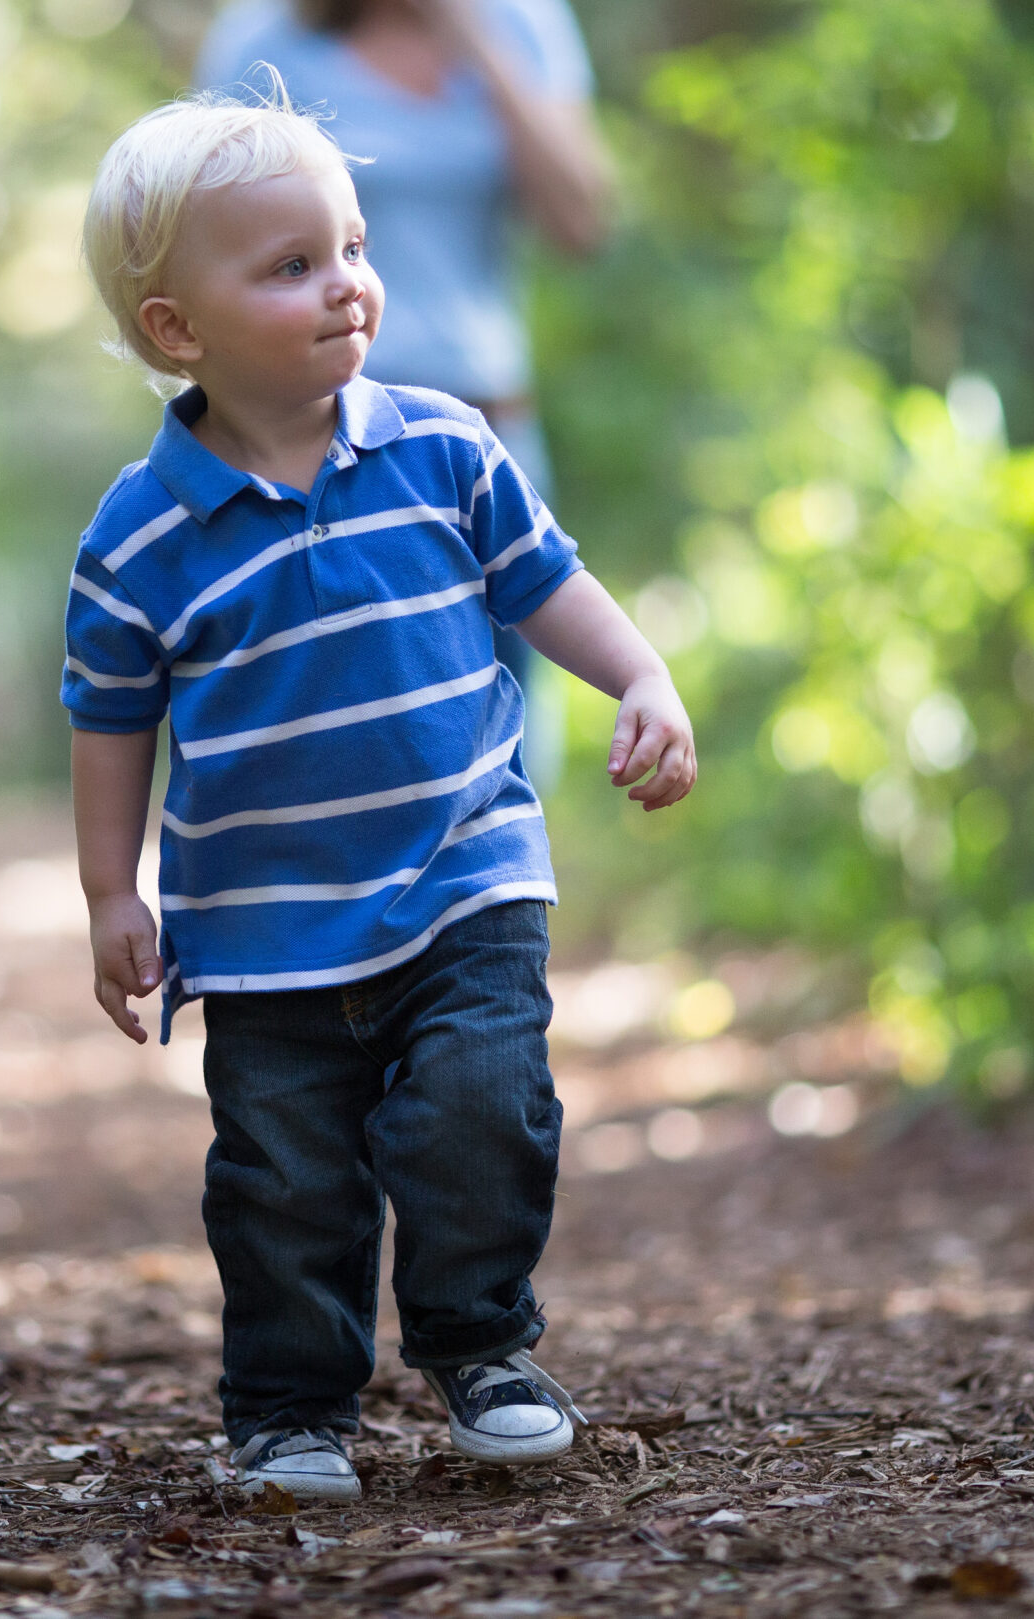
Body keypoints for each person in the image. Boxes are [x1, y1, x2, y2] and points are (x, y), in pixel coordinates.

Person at [65, 92, 693, 1498]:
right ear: (179, 330)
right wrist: (115, 891)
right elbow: (108, 719)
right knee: (284, 1179)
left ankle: (483, 1345)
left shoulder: (445, 446)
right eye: (290, 265)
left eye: (351, 245)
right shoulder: (140, 535)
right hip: (266, 923)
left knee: (482, 1106)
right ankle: (290, 1403)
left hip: (467, 872)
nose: (345, 281)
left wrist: (642, 676)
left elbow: (548, 586)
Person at [195, 0, 612, 790]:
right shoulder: (259, 41)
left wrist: (472, 35)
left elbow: (581, 219)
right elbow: (207, 252)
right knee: (342, 766)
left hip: (488, 439)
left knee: (507, 762)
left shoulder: (520, 20)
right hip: (314, 456)